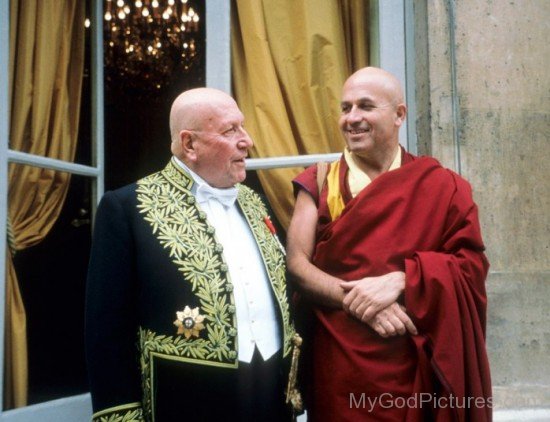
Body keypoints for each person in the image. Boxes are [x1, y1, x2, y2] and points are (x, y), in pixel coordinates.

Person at [287, 67, 492, 421]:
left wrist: (402, 280)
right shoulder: (321, 182)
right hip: (342, 367)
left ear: (399, 115)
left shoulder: (443, 186)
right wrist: (362, 302)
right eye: (345, 107)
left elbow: (470, 267)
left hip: (416, 363)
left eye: (365, 106)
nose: (352, 119)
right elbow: (298, 268)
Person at [85, 88, 301, 421]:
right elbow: (106, 332)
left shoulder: (254, 202)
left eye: (243, 128)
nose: (248, 140)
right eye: (231, 131)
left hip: (269, 398)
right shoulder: (128, 208)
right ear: (190, 145)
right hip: (185, 401)